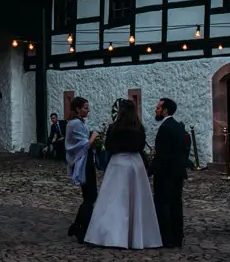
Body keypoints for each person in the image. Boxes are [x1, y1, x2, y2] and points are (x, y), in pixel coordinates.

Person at [83, 100, 162, 249]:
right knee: (136, 199)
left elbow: (109, 146)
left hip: (118, 163)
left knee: (114, 200)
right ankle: (136, 235)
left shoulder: (115, 128)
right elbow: (141, 145)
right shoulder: (139, 128)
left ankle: (114, 235)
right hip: (135, 163)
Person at [150, 97, 189, 248]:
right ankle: (177, 235)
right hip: (177, 171)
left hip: (165, 172)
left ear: (165, 110)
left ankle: (167, 237)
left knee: (163, 204)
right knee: (175, 203)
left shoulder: (165, 127)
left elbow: (162, 153)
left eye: (158, 107)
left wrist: (151, 170)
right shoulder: (178, 126)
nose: (156, 109)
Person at [65, 97, 98, 243]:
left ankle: (77, 225)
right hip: (83, 163)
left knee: (89, 196)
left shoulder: (79, 123)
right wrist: (94, 137)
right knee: (90, 197)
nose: (88, 110)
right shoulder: (75, 124)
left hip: (87, 162)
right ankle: (81, 229)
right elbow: (84, 144)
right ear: (78, 109)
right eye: (85, 108)